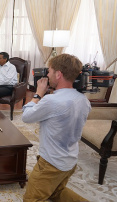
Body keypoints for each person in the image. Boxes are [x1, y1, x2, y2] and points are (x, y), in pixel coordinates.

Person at [22, 54, 91, 201]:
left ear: (58, 74)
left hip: (51, 164)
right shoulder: (84, 100)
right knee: (56, 193)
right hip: (70, 160)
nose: (47, 74)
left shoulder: (51, 101)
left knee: (31, 199)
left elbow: (26, 116)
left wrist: (38, 93)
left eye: (50, 71)